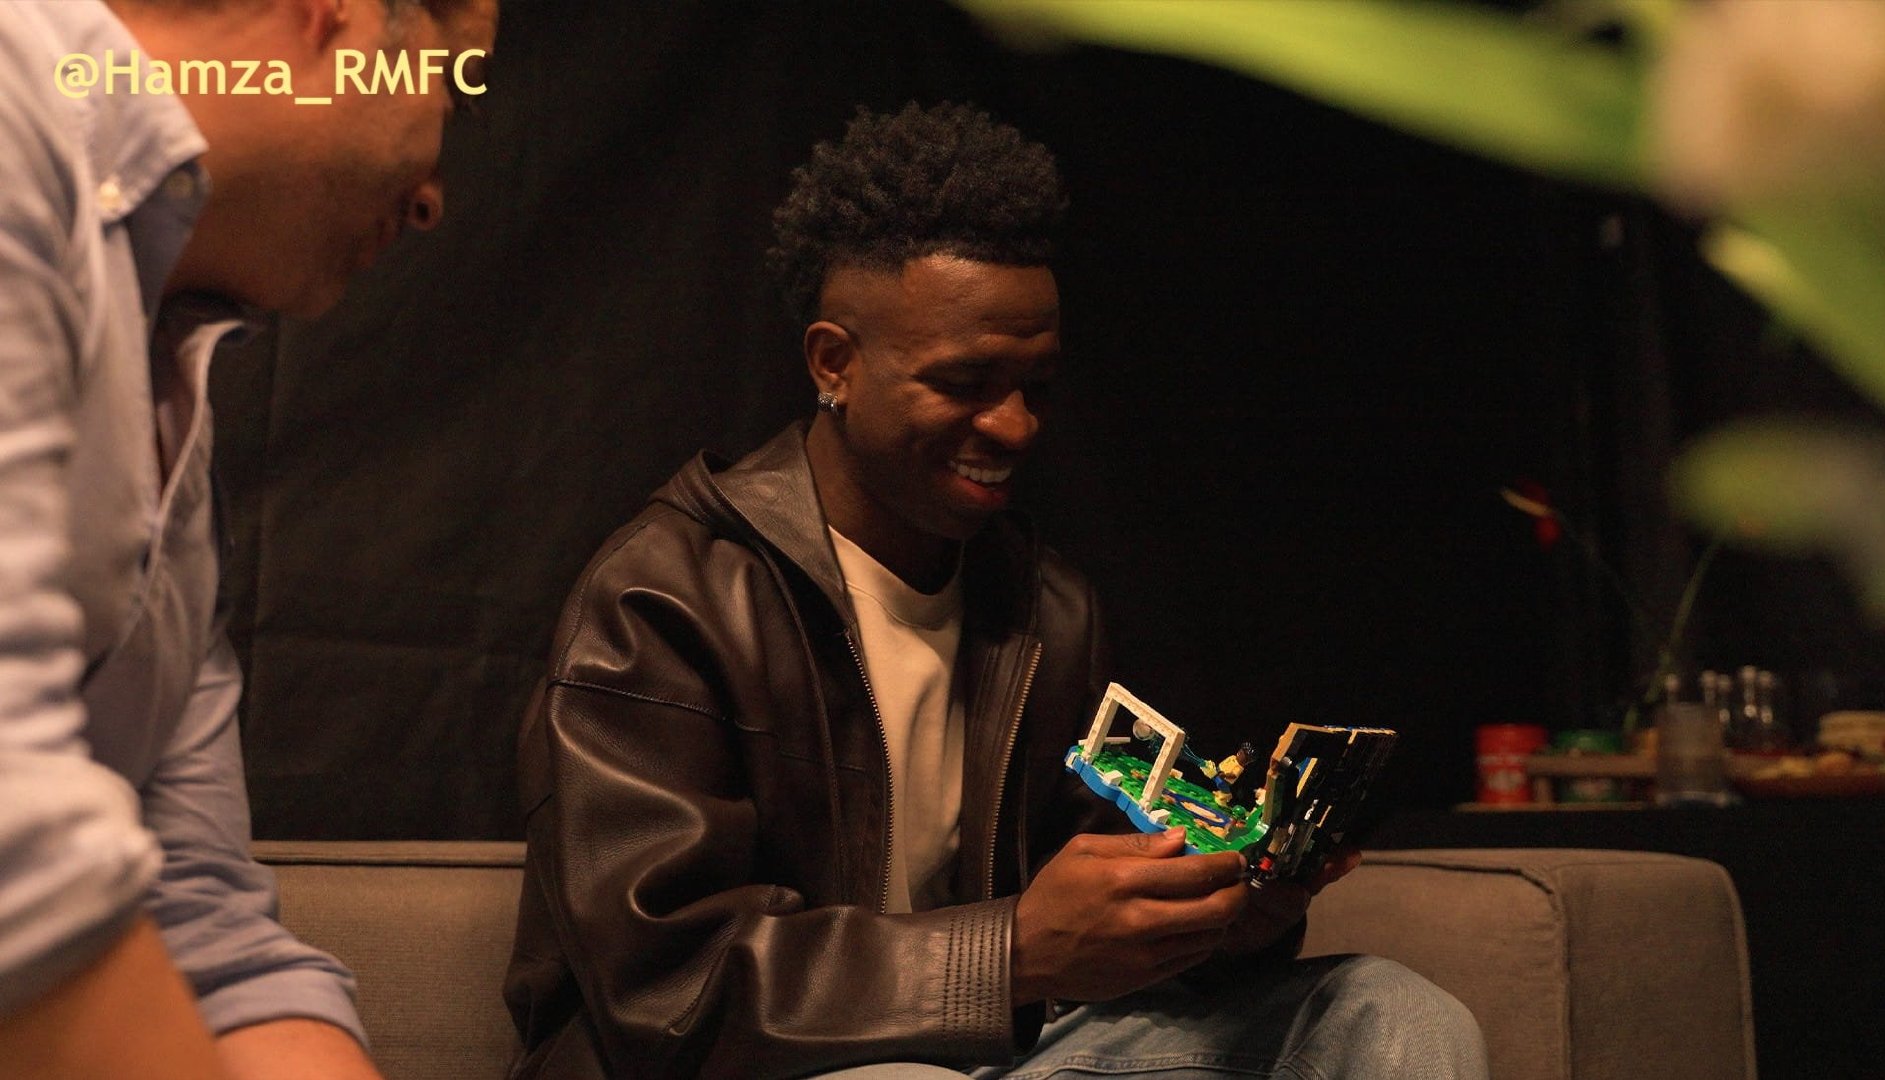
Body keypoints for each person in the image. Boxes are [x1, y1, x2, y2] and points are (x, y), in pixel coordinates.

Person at [504, 102, 1487, 1080]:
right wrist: (1007, 953)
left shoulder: (1043, 608)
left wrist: (1232, 914)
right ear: (834, 363)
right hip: (750, 1069)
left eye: (1036, 386)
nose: (1014, 427)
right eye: (965, 382)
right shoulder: (665, 598)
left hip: (1000, 1057)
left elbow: (1103, 936)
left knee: (1386, 1012)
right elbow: (664, 994)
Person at [0, 1, 497, 1077]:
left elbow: (197, 915)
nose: (431, 198)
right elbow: (16, 849)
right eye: (451, 85)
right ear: (337, 15)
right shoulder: (10, 94)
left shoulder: (161, 380)